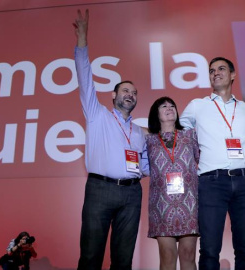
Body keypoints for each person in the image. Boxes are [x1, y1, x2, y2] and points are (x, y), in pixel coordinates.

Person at [73, 9, 146, 270]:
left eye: (134, 92)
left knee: (123, 260)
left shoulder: (139, 132)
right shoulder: (97, 115)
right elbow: (84, 78)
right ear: (113, 95)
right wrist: (83, 40)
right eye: (125, 90)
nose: (130, 94)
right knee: (91, 257)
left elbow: (145, 164)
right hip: (100, 190)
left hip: (132, 194)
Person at [180, 57, 245, 270]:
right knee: (209, 250)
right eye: (211, 70)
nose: (215, 73)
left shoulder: (243, 108)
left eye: (221, 69)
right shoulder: (197, 106)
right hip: (211, 182)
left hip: (244, 181)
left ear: (233, 75)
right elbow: (177, 135)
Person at [141, 97, 199, 270]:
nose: (169, 108)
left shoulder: (190, 135)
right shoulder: (148, 139)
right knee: (167, 256)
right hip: (161, 205)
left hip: (189, 204)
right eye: (164, 106)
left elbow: (204, 160)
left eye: (172, 105)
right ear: (155, 114)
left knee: (188, 255)